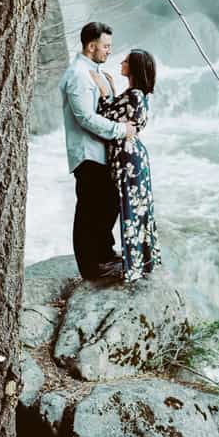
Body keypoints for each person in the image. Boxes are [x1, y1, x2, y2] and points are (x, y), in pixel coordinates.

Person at [59, 22, 136, 280]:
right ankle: (91, 267)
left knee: (107, 204)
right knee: (89, 211)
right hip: (87, 153)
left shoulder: (93, 72)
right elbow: (86, 118)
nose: (109, 51)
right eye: (106, 46)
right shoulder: (79, 74)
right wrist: (120, 129)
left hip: (99, 153)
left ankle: (104, 254)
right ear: (91, 46)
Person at [91, 49, 162, 283]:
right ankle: (141, 262)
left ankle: (132, 267)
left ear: (134, 68)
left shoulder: (134, 94)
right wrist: (111, 91)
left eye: (126, 61)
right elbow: (120, 118)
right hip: (132, 156)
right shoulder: (136, 93)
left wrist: (103, 93)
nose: (121, 62)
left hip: (127, 159)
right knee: (136, 209)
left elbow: (106, 117)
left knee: (130, 210)